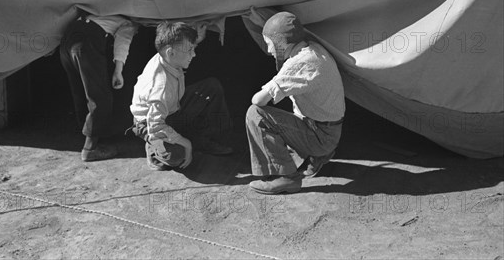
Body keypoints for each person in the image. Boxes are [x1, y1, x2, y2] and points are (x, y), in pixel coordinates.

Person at [246, 12, 345, 194]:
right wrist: (267, 25)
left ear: (281, 42)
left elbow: (258, 100)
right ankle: (315, 156)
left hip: (320, 136)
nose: (268, 50)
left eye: (269, 44)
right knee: (286, 105)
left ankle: (285, 178)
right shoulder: (312, 48)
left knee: (256, 113)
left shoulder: (301, 63)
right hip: (328, 130)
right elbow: (285, 39)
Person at [130, 21, 232, 170]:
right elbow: (156, 126)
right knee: (177, 157)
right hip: (150, 123)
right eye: (190, 49)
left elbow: (178, 46)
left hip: (172, 108)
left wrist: (195, 41)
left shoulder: (166, 54)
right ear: (171, 52)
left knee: (211, 87)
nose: (194, 53)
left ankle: (204, 139)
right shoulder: (160, 86)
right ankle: (153, 149)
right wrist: (187, 144)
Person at [60, 11, 138, 161]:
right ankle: (90, 149)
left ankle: (85, 137)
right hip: (86, 43)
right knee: (100, 97)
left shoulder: (101, 7)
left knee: (81, 93)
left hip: (67, 41)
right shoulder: (128, 22)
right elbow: (123, 42)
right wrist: (118, 71)